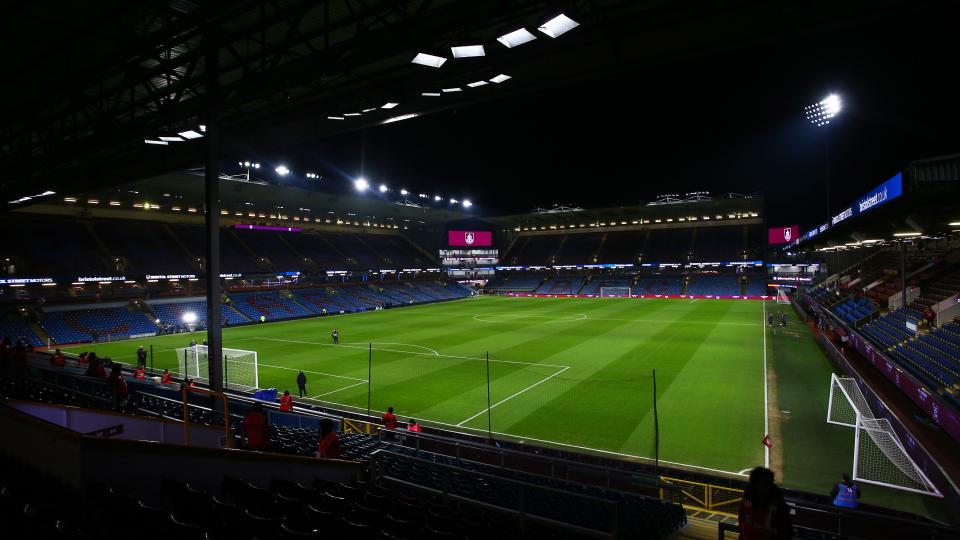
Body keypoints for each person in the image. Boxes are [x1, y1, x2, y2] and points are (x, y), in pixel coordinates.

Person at [738, 466, 792, 540]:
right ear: (755, 484)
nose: (766, 488)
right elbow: (741, 519)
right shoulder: (747, 499)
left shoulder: (779, 505)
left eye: (768, 484)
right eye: (763, 484)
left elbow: (785, 531)